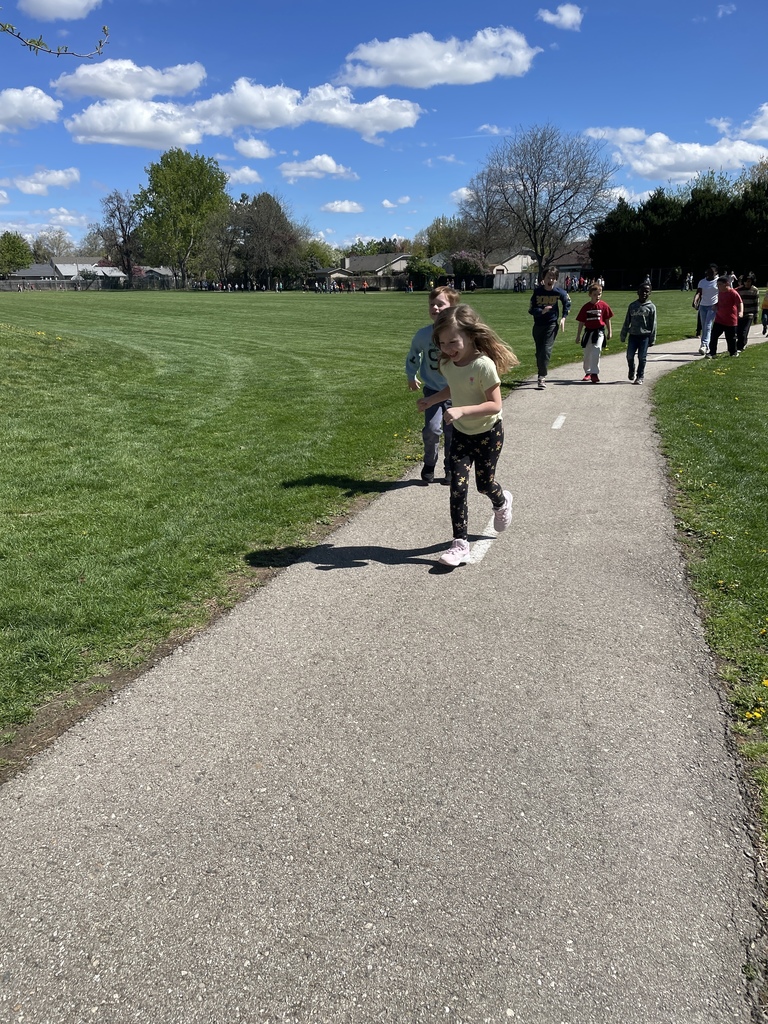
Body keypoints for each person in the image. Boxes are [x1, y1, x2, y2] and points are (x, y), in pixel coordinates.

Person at [417, 305, 519, 568]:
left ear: (471, 336)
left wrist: (461, 410)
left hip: (488, 433)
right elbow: (454, 387)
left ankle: (501, 501)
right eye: (442, 343)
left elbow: (495, 405)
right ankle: (460, 543)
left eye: (453, 341)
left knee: (484, 484)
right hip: (462, 434)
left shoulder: (483, 365)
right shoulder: (449, 364)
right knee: (457, 487)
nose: (448, 348)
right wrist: (431, 401)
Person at [405, 285, 460, 484]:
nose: (435, 308)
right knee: (431, 429)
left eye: (440, 304)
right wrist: (411, 375)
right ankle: (429, 463)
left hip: (456, 392)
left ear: (453, 307)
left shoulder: (458, 334)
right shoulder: (423, 335)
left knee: (452, 432)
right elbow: (413, 355)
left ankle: (450, 467)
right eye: (432, 305)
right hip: (432, 391)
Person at [528, 266, 570, 389]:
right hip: (538, 326)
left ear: (556, 279)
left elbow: (567, 303)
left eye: (553, 277)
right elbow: (531, 309)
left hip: (551, 325)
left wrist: (563, 318)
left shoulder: (559, 292)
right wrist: (542, 311)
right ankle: (541, 370)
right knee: (539, 352)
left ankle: (541, 377)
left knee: (546, 351)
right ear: (543, 278)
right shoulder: (538, 292)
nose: (550, 280)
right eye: (548, 277)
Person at [574, 284, 614, 383]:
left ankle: (594, 373)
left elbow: (607, 319)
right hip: (588, 332)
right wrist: (578, 335)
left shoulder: (604, 306)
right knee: (587, 353)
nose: (597, 296)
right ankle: (588, 372)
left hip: (599, 332)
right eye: (595, 294)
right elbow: (581, 322)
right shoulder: (586, 307)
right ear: (590, 295)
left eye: (599, 294)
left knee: (596, 350)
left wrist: (609, 331)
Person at [620, 284, 657, 385]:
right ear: (638, 292)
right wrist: (623, 334)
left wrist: (652, 338)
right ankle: (631, 369)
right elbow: (627, 321)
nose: (644, 293)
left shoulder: (651, 307)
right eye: (642, 291)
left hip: (644, 336)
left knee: (642, 357)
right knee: (629, 355)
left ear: (649, 293)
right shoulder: (632, 306)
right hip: (633, 335)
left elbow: (653, 324)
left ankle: (640, 376)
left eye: (646, 291)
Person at [707, 277, 743, 358]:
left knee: (731, 339)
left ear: (726, 284)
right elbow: (719, 302)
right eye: (717, 284)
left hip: (731, 320)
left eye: (720, 284)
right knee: (714, 336)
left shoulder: (733, 292)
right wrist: (715, 306)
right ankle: (712, 353)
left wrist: (740, 312)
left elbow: (740, 303)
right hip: (719, 319)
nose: (718, 286)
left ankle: (733, 353)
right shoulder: (720, 293)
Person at [693, 265, 719, 355]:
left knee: (708, 325)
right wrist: (695, 300)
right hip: (703, 306)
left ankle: (704, 345)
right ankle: (705, 345)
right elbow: (699, 292)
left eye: (712, 272)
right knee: (704, 326)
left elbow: (722, 293)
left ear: (716, 272)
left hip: (713, 306)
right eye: (708, 271)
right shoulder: (702, 282)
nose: (709, 273)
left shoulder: (718, 281)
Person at [736, 273, 759, 351]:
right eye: (746, 281)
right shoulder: (739, 290)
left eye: (749, 281)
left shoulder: (755, 290)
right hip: (740, 313)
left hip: (750, 314)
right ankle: (742, 343)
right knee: (739, 331)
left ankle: (740, 347)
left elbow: (756, 303)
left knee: (744, 331)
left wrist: (756, 316)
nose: (747, 283)